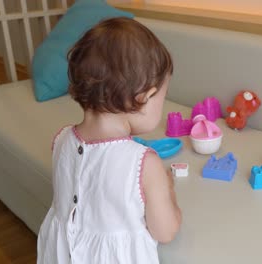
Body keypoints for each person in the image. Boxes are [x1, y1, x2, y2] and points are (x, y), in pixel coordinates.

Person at [37, 17, 181, 264]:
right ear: (143, 98)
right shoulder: (145, 164)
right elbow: (165, 231)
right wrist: (168, 190)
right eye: (162, 97)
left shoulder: (60, 140)